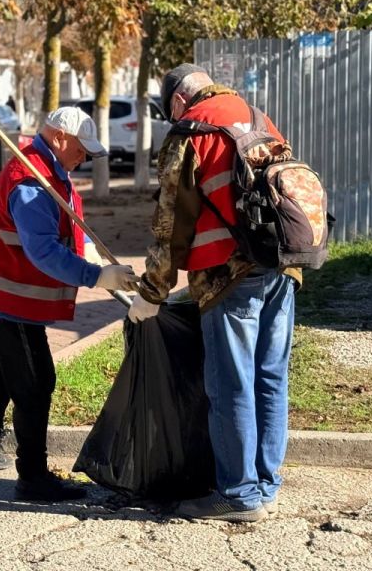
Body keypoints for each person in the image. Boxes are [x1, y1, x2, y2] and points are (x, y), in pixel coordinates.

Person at [128, 64, 301, 523]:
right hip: (281, 268)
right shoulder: (258, 117)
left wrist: (153, 291)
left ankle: (239, 494)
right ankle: (267, 484)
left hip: (227, 276)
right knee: (270, 377)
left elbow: (170, 224)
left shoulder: (191, 132)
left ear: (179, 101)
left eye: (169, 111)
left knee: (231, 382)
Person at [0, 106, 138, 502]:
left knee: (7, 369)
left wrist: (90, 252)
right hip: (9, 298)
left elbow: (65, 224)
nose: (85, 157)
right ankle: (33, 477)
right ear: (60, 137)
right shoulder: (31, 181)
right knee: (36, 381)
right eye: (81, 149)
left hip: (1, 293)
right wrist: (95, 275)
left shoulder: (49, 170)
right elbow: (42, 249)